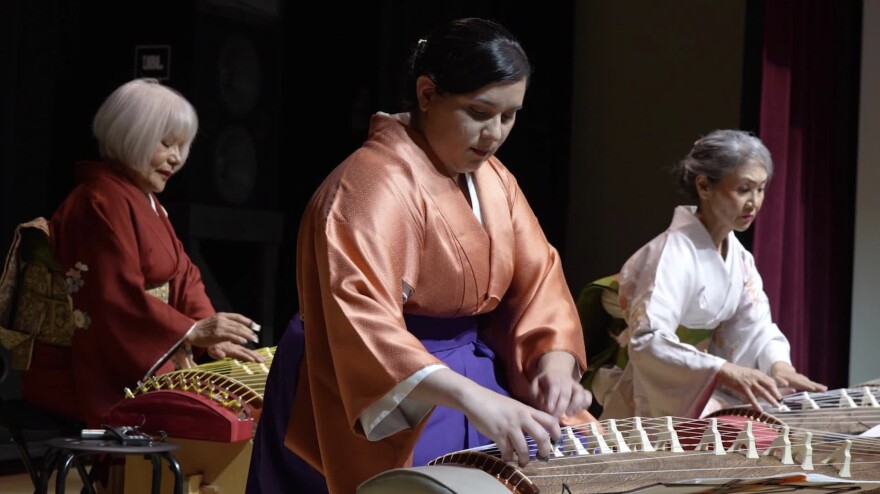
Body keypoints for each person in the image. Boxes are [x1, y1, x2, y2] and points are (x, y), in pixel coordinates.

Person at [248, 18, 593, 494]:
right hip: (380, 387)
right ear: (427, 94)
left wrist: (553, 366)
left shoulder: (495, 180)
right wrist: (474, 399)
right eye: (478, 111)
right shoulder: (369, 184)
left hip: (474, 378)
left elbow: (538, 285)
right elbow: (362, 324)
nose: (494, 134)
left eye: (509, 116)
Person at [20, 78, 264, 429]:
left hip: (135, 356)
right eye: (166, 144)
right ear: (129, 135)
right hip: (85, 372)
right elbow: (111, 298)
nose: (177, 159)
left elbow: (184, 273)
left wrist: (210, 333)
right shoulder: (99, 201)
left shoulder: (142, 200)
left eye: (183, 146)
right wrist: (190, 331)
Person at [592, 129, 827, 420]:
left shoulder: (740, 259)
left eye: (761, 189)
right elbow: (648, 339)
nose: (754, 202)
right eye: (743, 189)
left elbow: (756, 326)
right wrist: (722, 369)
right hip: (656, 392)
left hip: (697, 384)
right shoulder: (672, 254)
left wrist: (780, 366)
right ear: (704, 186)